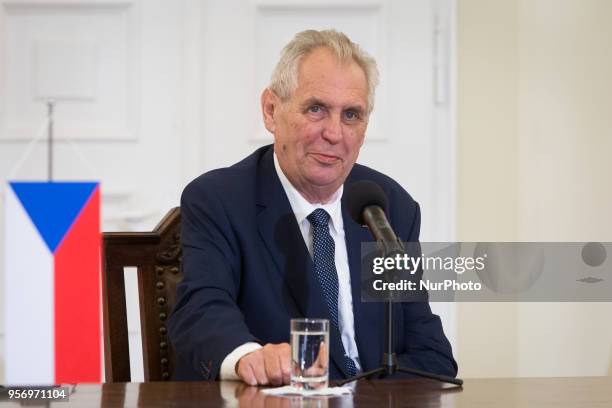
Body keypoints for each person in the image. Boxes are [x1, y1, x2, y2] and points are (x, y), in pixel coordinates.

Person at [167, 29, 457, 385]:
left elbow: (430, 352)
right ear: (271, 111)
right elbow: (202, 308)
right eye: (316, 109)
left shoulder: (389, 207)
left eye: (351, 115)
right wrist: (248, 357)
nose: (334, 133)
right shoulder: (219, 200)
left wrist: (361, 399)